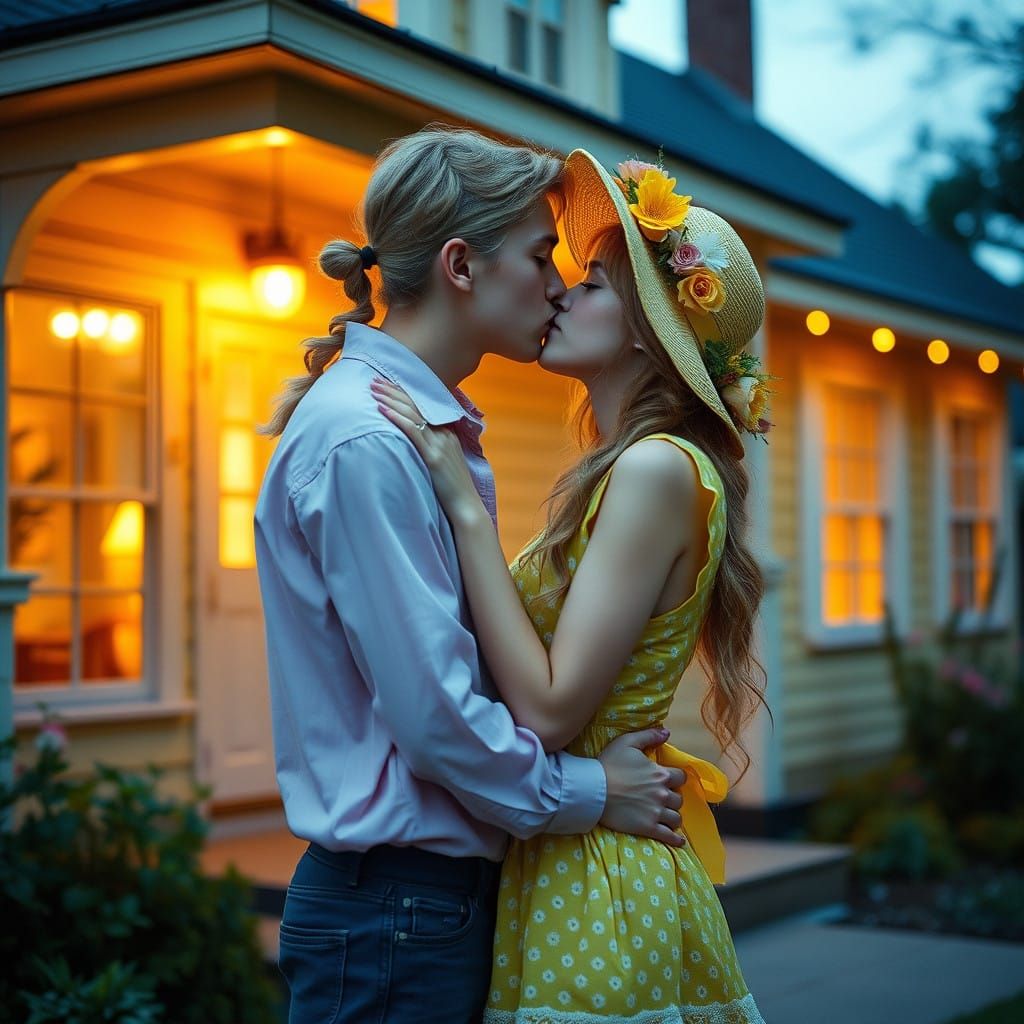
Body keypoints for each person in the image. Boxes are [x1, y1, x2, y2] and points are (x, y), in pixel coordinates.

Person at [253, 127, 689, 1024]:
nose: (558, 285)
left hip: (416, 907)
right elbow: (436, 716)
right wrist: (592, 792)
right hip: (395, 911)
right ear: (461, 266)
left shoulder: (416, 430)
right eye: (539, 255)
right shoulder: (370, 440)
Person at [373, 148, 771, 1022]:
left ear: (645, 329)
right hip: (574, 847)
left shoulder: (655, 469)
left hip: (602, 878)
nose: (559, 293)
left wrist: (463, 510)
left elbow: (552, 710)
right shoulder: (634, 468)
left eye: (590, 284)